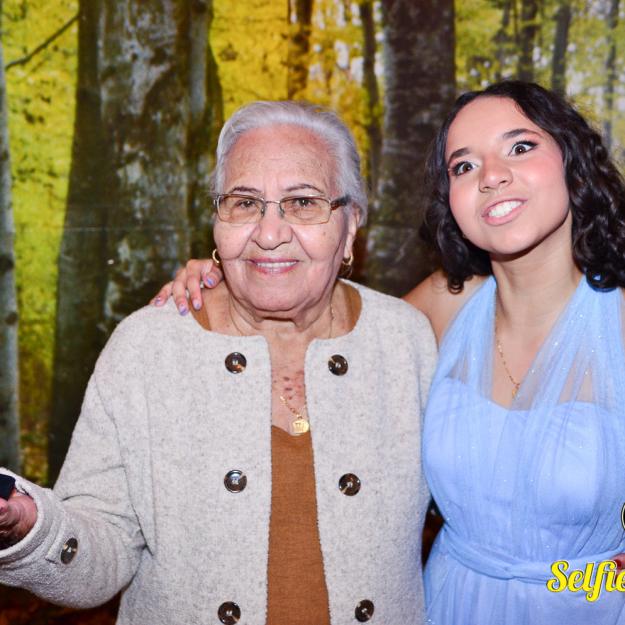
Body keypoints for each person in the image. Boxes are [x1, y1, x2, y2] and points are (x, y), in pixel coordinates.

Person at [161, 81, 625, 623]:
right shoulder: (442, 307)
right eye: (464, 166)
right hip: (451, 603)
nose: (492, 175)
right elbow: (310, 322)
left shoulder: (617, 322)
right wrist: (229, 280)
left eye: (520, 147)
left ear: (573, 163)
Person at [0, 101, 437, 624]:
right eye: (244, 203)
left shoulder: (406, 341)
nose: (269, 233)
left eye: (303, 202)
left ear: (350, 226)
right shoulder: (149, 347)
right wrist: (29, 524)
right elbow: (102, 550)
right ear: (216, 220)